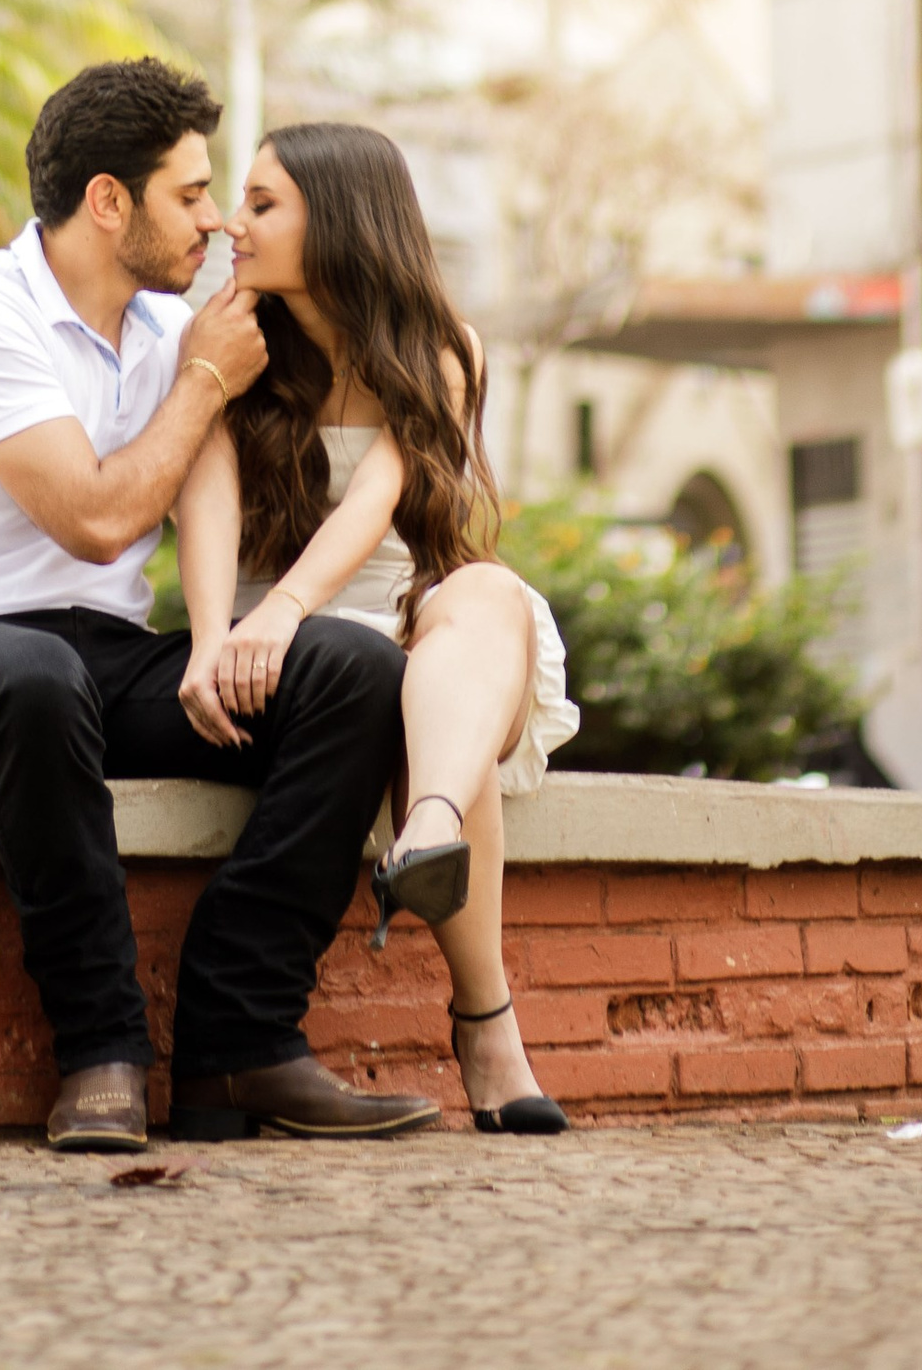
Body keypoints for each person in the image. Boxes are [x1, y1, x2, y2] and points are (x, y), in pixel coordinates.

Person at [0, 55, 439, 1153]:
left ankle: (239, 1033)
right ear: (108, 201)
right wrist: (204, 380)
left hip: (96, 665)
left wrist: (219, 640)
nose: (212, 220)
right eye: (189, 192)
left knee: (351, 671)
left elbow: (258, 441)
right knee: (32, 673)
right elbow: (100, 520)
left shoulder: (170, 328)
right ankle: (101, 1049)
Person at [176, 119, 578, 1137]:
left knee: (482, 590)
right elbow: (208, 496)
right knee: (438, 719)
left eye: (262, 202)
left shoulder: (439, 349)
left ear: (340, 218)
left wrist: (286, 601)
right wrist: (217, 629)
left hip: (408, 622)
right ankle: (487, 1028)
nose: (230, 218)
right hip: (296, 653)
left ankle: (428, 825)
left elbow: (373, 501)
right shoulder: (231, 340)